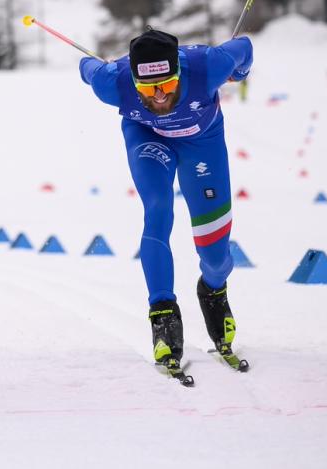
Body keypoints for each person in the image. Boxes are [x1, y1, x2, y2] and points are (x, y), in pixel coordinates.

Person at [79, 27, 253, 376]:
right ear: (133, 79)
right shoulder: (112, 83)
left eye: (168, 85)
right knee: (157, 209)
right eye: (147, 88)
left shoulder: (208, 66)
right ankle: (163, 315)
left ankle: (214, 291)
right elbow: (86, 66)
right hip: (147, 138)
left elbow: (245, 47)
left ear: (178, 72)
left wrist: (240, 73)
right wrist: (98, 65)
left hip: (202, 143)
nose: (158, 96)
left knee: (215, 254)